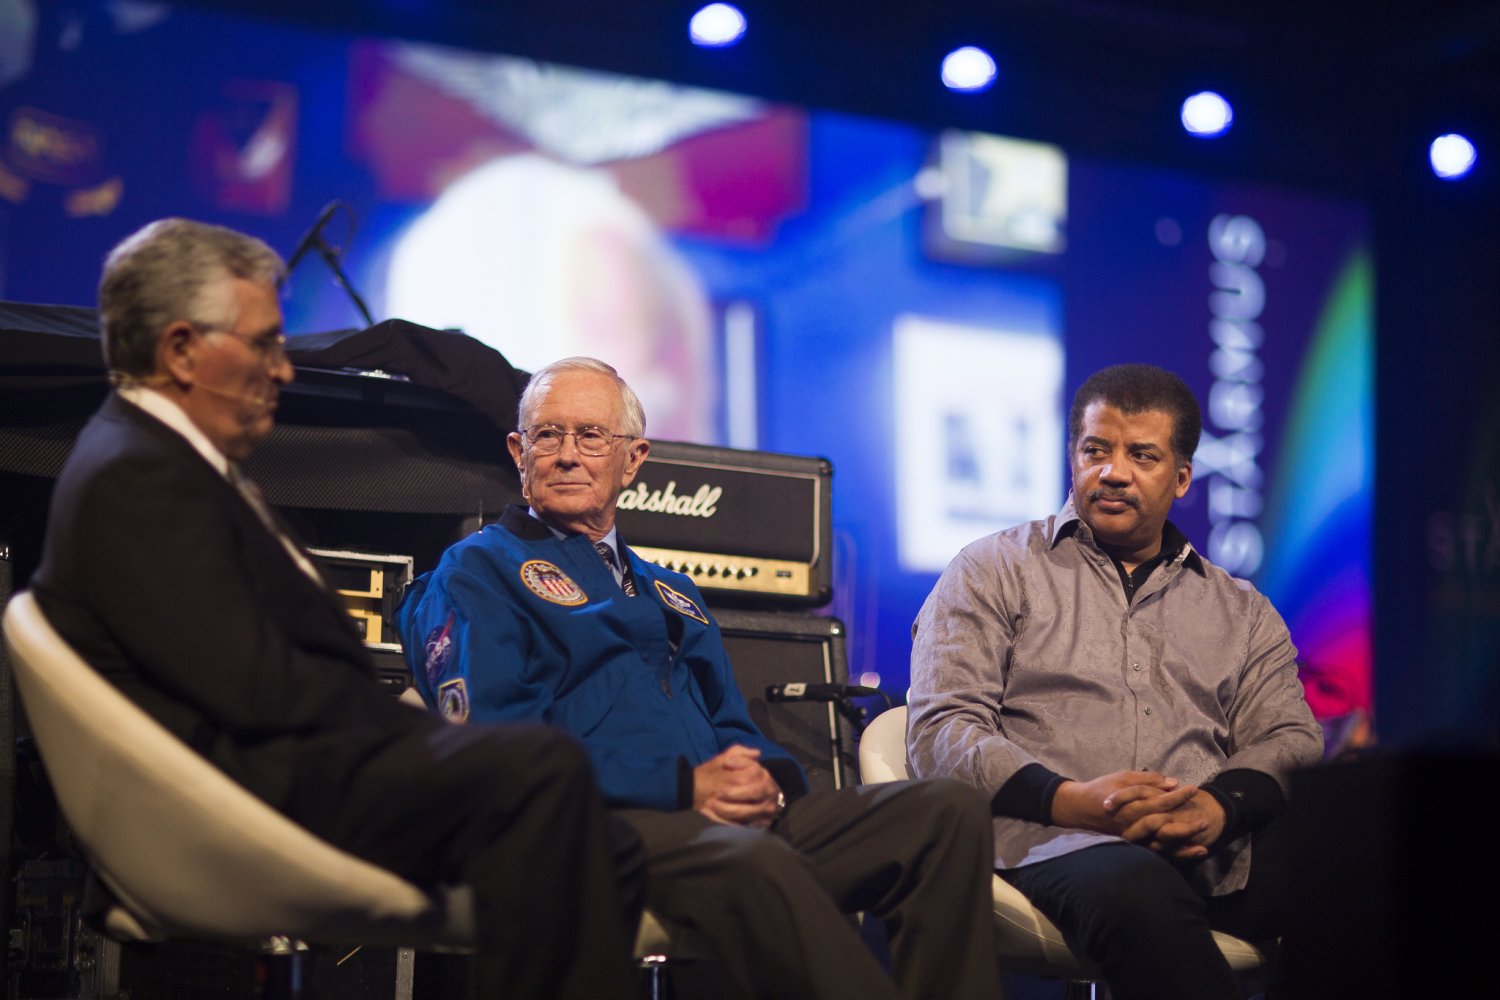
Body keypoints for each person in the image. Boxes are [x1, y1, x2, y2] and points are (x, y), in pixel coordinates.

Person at [29, 218, 643, 1000]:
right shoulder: (140, 480)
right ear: (181, 350)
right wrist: (418, 742)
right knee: (546, 772)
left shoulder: (160, 466)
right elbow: (256, 693)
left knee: (592, 820)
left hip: (282, 775)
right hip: (247, 807)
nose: (283, 372)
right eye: (262, 346)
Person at [398, 356, 1003, 1000]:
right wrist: (682, 787)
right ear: (520, 452)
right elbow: (497, 745)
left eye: (591, 436)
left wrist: (765, 785)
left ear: (633, 460)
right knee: (753, 865)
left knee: (944, 812)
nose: (567, 454)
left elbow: (733, 724)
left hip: (722, 825)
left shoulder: (672, 590)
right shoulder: (477, 572)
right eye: (548, 435)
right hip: (598, 825)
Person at [907, 363, 1323, 1000]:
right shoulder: (993, 569)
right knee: (1138, 887)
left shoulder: (1241, 611)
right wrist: (1074, 800)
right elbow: (942, 731)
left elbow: (1290, 739)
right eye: (1095, 450)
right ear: (1073, 456)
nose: (1113, 471)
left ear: (1181, 477)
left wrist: (1218, 807)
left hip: (1207, 845)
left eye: (1143, 455)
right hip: (1050, 841)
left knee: (1363, 871)